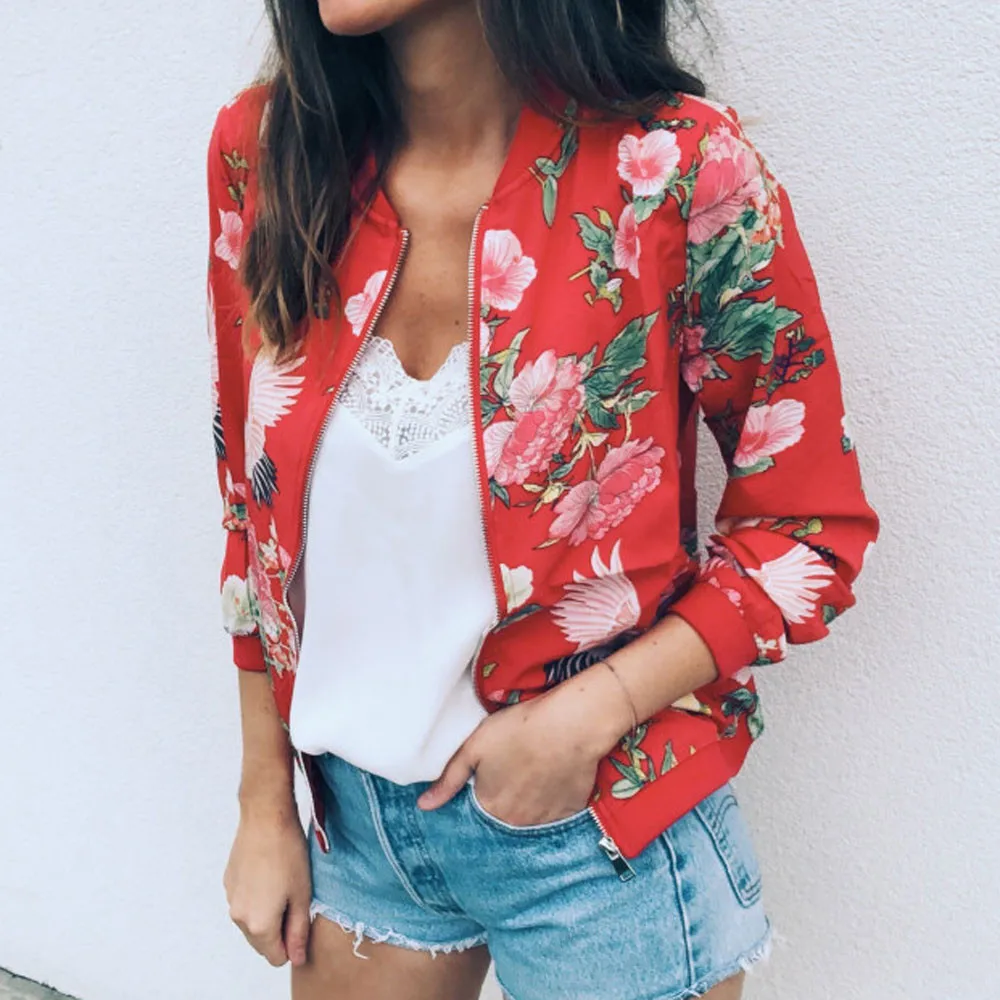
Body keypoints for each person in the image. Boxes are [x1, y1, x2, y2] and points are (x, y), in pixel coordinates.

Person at [206, 1, 879, 998]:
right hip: (360, 828)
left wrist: (595, 711)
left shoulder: (676, 169)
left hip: (594, 828)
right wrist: (264, 800)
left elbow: (807, 527)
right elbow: (245, 496)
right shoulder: (268, 150)